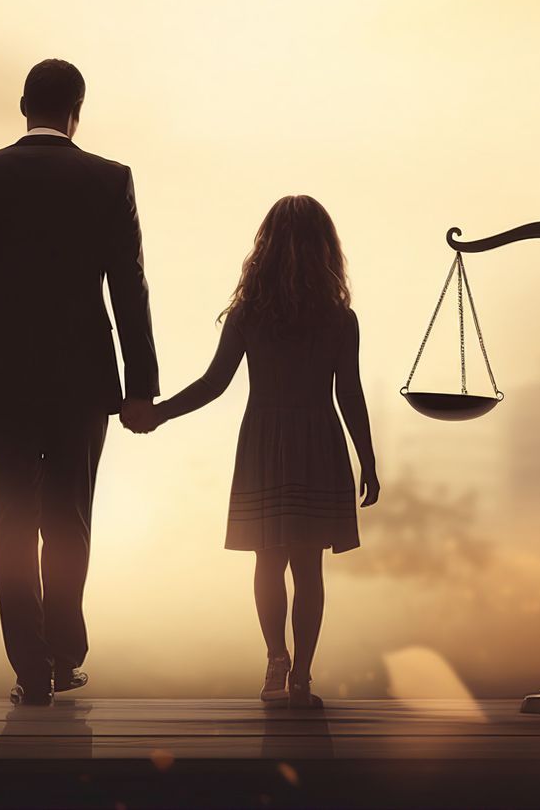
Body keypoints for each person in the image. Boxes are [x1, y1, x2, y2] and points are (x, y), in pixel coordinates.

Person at [0, 58, 159, 706]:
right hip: (83, 378)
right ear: (76, 110)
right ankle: (62, 653)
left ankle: (29, 668)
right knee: (69, 518)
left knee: (11, 519)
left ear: (22, 103)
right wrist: (140, 385)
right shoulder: (109, 179)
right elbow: (128, 287)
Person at [141, 195, 380, 708]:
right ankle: (304, 676)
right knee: (308, 566)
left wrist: (158, 414)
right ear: (326, 249)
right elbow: (349, 394)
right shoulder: (340, 318)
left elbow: (213, 384)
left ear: (264, 249)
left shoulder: (249, 314)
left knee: (268, 561)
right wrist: (368, 460)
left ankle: (277, 659)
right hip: (319, 441)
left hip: (264, 442)